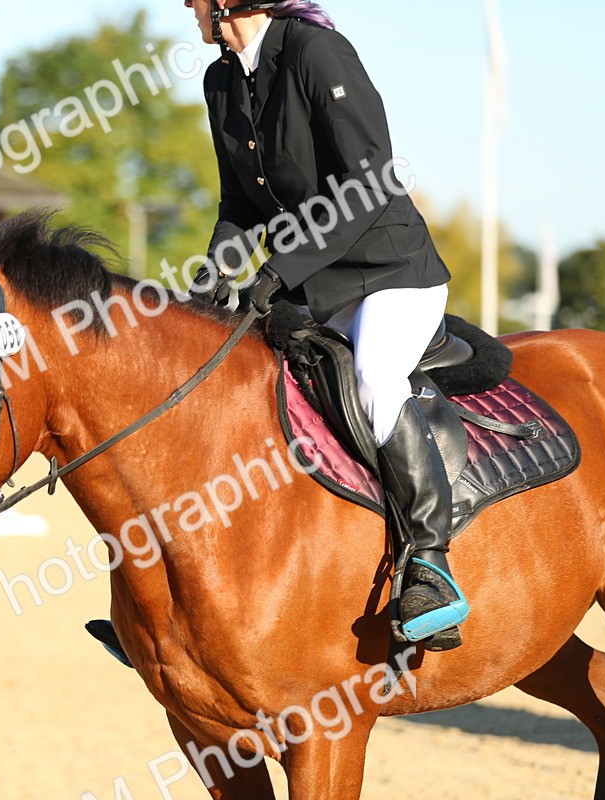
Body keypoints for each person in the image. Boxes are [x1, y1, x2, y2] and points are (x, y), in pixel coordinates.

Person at [189, 0, 469, 650]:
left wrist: (276, 270)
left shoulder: (315, 52)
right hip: (314, 283)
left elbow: (368, 181)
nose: (186, 6)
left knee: (373, 376)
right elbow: (240, 202)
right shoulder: (220, 80)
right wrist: (217, 270)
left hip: (391, 273)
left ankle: (431, 561)